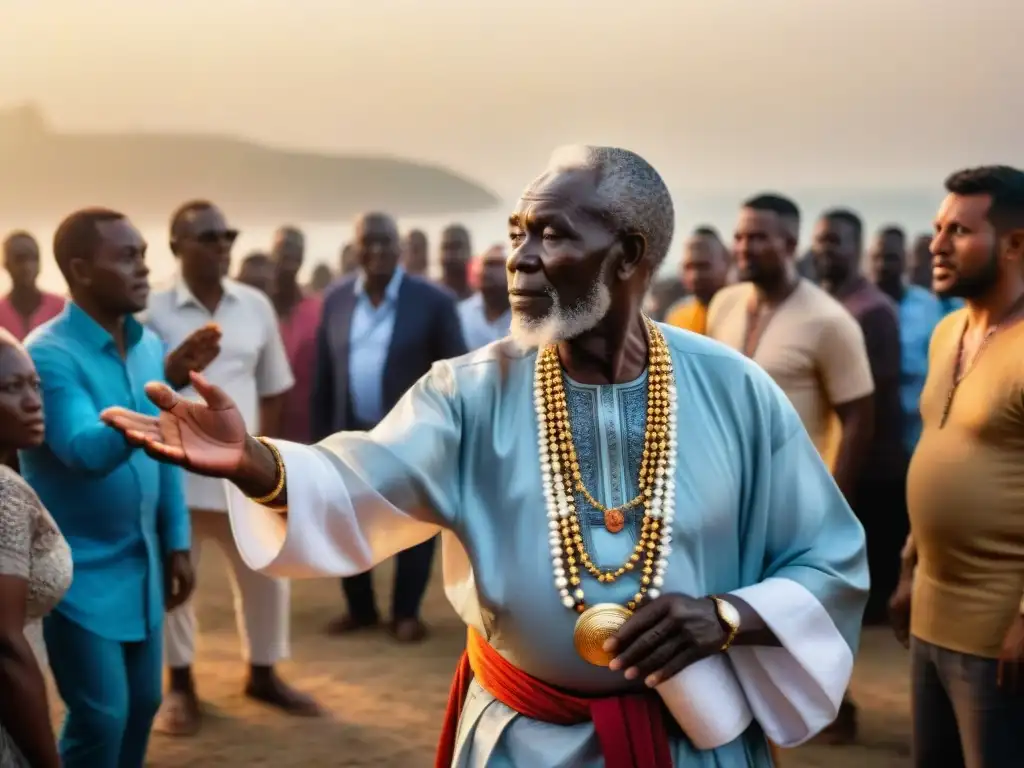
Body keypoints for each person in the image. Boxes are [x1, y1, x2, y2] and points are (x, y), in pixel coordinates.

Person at [102, 145, 869, 768]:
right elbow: (359, 482)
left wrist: (726, 615)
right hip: (519, 744)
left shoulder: (735, 390)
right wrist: (256, 464)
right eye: (517, 232)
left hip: (688, 741)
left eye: (554, 234)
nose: (521, 259)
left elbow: (828, 559)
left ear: (630, 253)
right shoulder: (468, 392)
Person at [20, 208, 195, 768]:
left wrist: (178, 540)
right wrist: (158, 394)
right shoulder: (48, 353)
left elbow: (167, 457)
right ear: (80, 270)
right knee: (101, 716)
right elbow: (83, 450)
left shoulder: (149, 348)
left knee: (143, 703)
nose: (144, 268)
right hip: (80, 570)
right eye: (126, 257)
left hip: (141, 562)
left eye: (143, 254)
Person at [143, 200, 318, 737]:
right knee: (179, 581)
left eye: (228, 235)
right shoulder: (152, 312)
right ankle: (181, 686)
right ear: (176, 246)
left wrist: (260, 456)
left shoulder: (255, 305)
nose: (223, 245)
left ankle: (263, 674)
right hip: (178, 473)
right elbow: (140, 392)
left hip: (245, 472)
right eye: (208, 237)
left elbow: (274, 388)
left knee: (268, 575)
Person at [707, 194, 875, 745]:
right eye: (740, 236)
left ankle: (833, 704)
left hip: (797, 499)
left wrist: (833, 503)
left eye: (759, 237)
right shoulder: (725, 304)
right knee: (737, 611)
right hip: (728, 497)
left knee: (803, 612)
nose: (745, 247)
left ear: (790, 245)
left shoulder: (830, 321)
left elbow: (857, 417)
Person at [890, 165, 1024, 767]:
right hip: (929, 617)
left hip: (999, 635)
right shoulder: (948, 331)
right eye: (937, 227)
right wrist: (910, 563)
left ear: (1015, 243)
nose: (936, 245)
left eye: (959, 231)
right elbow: (939, 449)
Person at [313, 211, 467, 641]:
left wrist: (446, 438)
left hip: (412, 438)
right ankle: (360, 610)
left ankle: (406, 613)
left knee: (413, 526)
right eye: (369, 242)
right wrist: (318, 442)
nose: (378, 250)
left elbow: (453, 373)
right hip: (350, 436)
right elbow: (325, 378)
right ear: (356, 247)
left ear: (400, 247)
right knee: (348, 521)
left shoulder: (433, 301)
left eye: (386, 241)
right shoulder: (337, 299)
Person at [814, 209, 906, 627]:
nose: (824, 249)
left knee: (865, 602)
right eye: (820, 240)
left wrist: (844, 479)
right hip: (832, 459)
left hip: (868, 469)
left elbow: (870, 404)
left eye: (835, 241)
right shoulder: (825, 303)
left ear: (856, 248)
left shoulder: (872, 311)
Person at [0, 328, 72, 768]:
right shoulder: (3, 496)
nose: (33, 401)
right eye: (11, 388)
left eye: (35, 384)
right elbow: (5, 647)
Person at [869, 225, 943, 455]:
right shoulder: (861, 308)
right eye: (877, 257)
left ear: (906, 259)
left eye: (891, 258)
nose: (883, 265)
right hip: (873, 432)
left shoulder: (928, 306)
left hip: (919, 432)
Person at [270, 226, 323, 444]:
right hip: (265, 427)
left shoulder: (317, 309)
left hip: (307, 431)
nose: (288, 254)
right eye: (282, 248)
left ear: (303, 257)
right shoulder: (260, 308)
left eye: (295, 249)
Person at [0, 232, 65, 342]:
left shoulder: (61, 309)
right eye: (20, 259)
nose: (27, 266)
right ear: (6, 264)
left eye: (34, 258)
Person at [664, 226, 730, 334]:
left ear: (726, 262)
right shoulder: (678, 317)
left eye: (703, 266)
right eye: (688, 267)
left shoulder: (743, 311)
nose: (695, 276)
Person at [457, 245, 511, 350]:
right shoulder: (461, 315)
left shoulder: (529, 318)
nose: (490, 272)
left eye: (498, 265)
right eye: (487, 264)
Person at [439, 224, 474, 300]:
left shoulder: (479, 299)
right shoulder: (428, 296)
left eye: (456, 247)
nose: (450, 255)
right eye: (445, 248)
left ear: (469, 251)